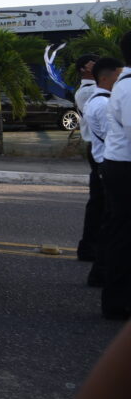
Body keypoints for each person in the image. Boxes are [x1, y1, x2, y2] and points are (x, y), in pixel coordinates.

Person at [102, 33, 131, 321]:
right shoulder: (130, 86)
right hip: (126, 167)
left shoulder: (125, 84)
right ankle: (117, 302)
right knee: (124, 236)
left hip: (120, 165)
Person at [85, 57, 121, 289]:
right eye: (119, 76)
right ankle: (101, 271)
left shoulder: (99, 100)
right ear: (106, 78)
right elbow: (113, 137)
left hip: (101, 163)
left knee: (105, 219)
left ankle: (100, 268)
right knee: (110, 223)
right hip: (105, 164)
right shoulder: (103, 104)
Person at [75, 54, 104, 262]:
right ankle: (88, 247)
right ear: (83, 70)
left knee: (102, 201)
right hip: (97, 149)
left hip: (101, 149)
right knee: (99, 201)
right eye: (91, 63)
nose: (96, 64)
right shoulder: (87, 92)